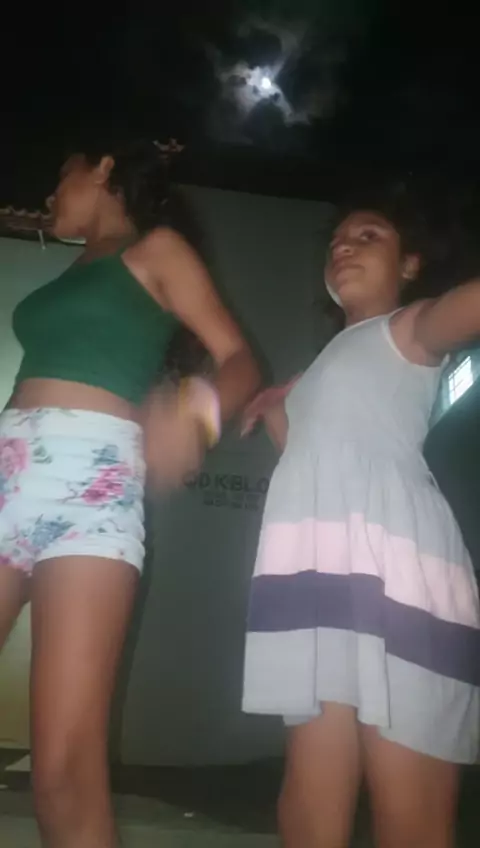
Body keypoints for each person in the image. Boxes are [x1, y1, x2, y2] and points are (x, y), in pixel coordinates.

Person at [0, 139, 260, 848]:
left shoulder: (156, 251)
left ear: (103, 167)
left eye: (60, 174)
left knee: (62, 772)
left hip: (94, 491)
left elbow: (239, 358)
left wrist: (196, 415)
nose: (49, 195)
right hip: (9, 474)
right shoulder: (71, 270)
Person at [241, 198, 480, 848]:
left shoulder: (410, 329)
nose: (343, 247)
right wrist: (277, 408)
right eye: (336, 241)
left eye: (368, 236)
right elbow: (310, 462)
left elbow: (463, 308)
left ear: (410, 265)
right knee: (308, 800)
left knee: (411, 817)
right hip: (318, 576)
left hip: (397, 572)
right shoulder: (326, 363)